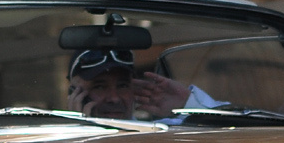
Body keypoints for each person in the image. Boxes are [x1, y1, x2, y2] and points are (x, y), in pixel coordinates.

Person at [65, 49, 221, 122]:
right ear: (74, 93)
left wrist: (188, 104)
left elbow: (235, 130)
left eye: (123, 85)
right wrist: (82, 127)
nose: (114, 98)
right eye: (99, 87)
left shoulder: (159, 135)